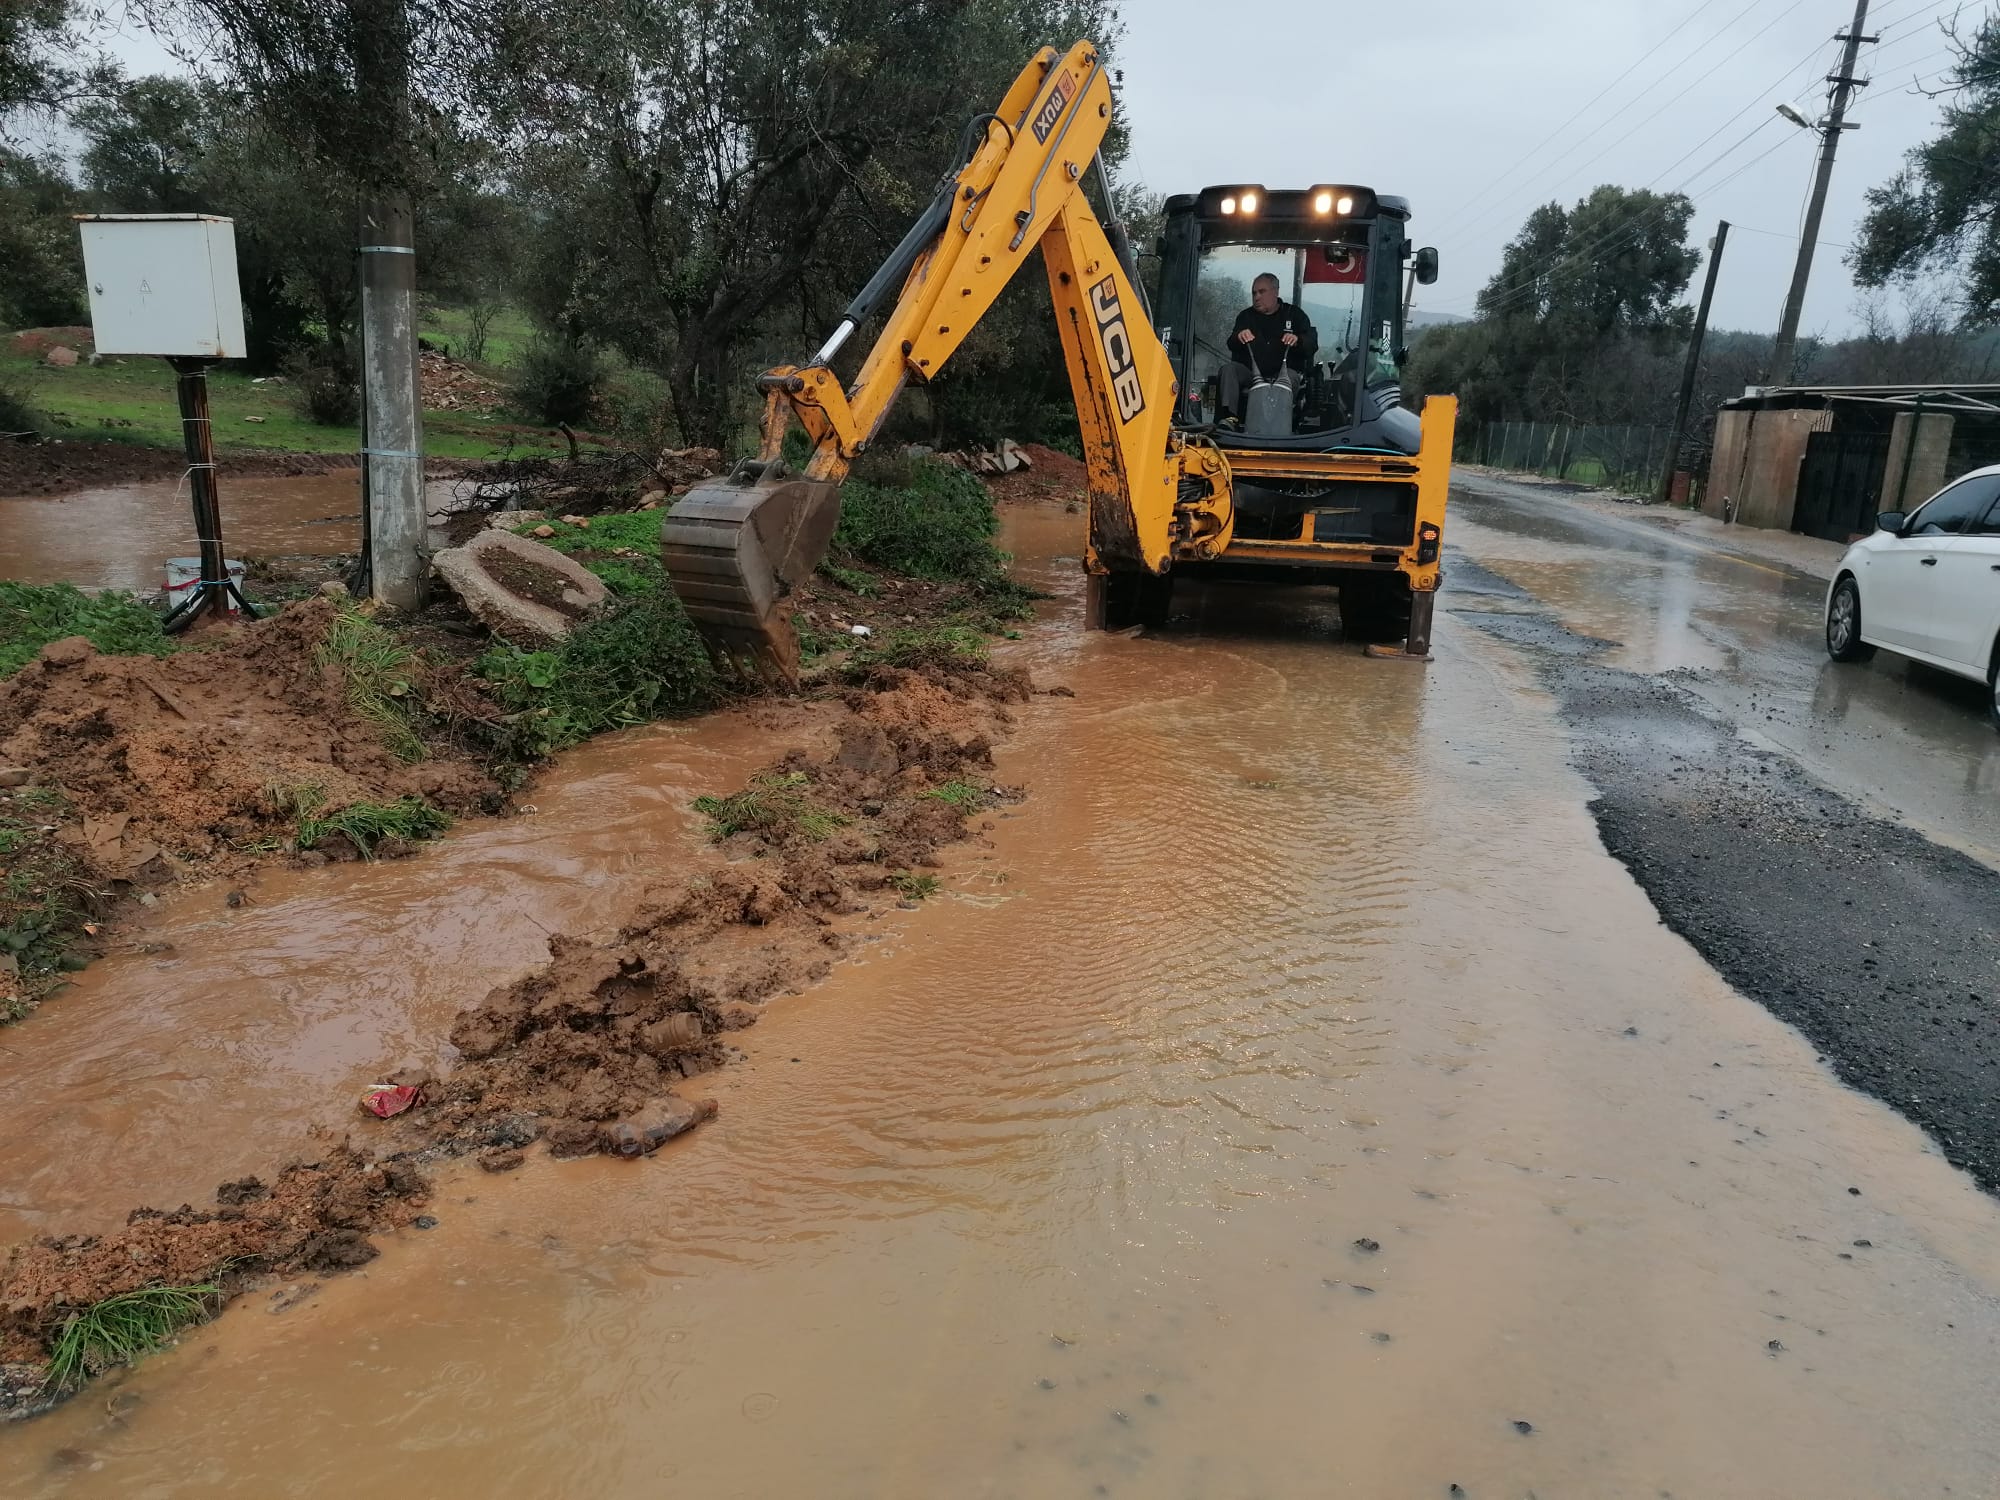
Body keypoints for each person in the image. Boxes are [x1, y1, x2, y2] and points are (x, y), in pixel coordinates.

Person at [1219, 273, 1318, 424]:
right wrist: (1239, 336)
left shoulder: (1295, 315)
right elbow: (1231, 344)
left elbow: (1312, 344)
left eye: (1261, 292)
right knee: (1229, 369)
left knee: (1290, 377)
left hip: (1284, 375)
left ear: (1275, 292)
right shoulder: (1245, 317)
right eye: (1254, 293)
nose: (1256, 297)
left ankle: (1281, 423)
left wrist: (1298, 340)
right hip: (1252, 376)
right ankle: (1229, 418)